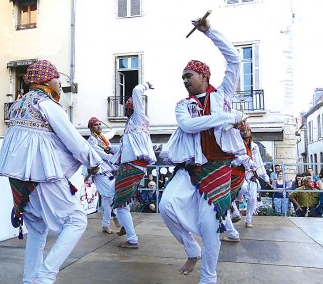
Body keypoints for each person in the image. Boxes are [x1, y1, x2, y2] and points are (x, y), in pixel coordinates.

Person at [159, 18, 252, 284]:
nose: (185, 80)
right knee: (166, 206)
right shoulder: (182, 105)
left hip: (219, 166)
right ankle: (191, 249)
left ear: (204, 75)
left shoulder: (222, 95)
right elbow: (187, 125)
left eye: (189, 75)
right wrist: (225, 118)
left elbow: (234, 60)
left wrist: (209, 31)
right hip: (190, 168)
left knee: (211, 226)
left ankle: (208, 278)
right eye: (183, 77)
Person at [0, 60, 103, 283]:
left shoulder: (18, 105)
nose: (59, 82)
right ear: (46, 80)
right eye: (56, 78)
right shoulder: (47, 104)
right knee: (77, 220)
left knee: (37, 229)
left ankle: (31, 279)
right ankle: (45, 276)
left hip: (19, 180)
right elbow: (73, 141)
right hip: (41, 174)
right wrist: (93, 160)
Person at [110, 82, 156, 249]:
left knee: (120, 204)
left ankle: (132, 238)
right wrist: (107, 148)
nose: (127, 111)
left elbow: (136, 90)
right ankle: (125, 225)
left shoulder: (139, 118)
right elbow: (121, 150)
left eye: (129, 108)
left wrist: (145, 85)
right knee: (111, 194)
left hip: (132, 167)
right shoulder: (130, 127)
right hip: (130, 166)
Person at [222, 122, 270, 241]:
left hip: (249, 175)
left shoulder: (254, 146)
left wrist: (264, 175)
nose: (245, 133)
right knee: (237, 193)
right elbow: (235, 160)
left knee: (252, 198)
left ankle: (245, 220)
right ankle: (234, 212)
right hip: (236, 175)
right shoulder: (236, 144)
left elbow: (257, 161)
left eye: (247, 131)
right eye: (242, 131)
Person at [85, 116, 120, 234]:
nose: (99, 126)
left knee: (107, 199)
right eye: (96, 125)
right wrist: (118, 158)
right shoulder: (91, 141)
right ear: (90, 128)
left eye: (100, 124)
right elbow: (103, 154)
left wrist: (114, 131)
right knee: (110, 197)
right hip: (100, 174)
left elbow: (108, 137)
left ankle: (106, 224)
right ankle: (113, 217)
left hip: (108, 173)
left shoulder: (102, 138)